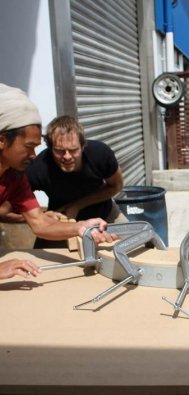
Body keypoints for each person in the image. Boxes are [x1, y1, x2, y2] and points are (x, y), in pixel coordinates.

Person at [0, 83, 113, 280]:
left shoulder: (15, 177)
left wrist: (81, 227)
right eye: (28, 146)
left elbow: (41, 223)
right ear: (2, 141)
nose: (33, 155)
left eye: (36, 147)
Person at [24, 115, 127, 248]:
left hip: (105, 215)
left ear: (83, 146)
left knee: (135, 247)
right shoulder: (38, 168)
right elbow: (9, 208)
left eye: (73, 150)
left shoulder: (100, 154)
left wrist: (77, 205)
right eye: (59, 151)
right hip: (61, 222)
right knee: (41, 262)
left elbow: (116, 186)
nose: (67, 156)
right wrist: (42, 216)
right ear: (50, 148)